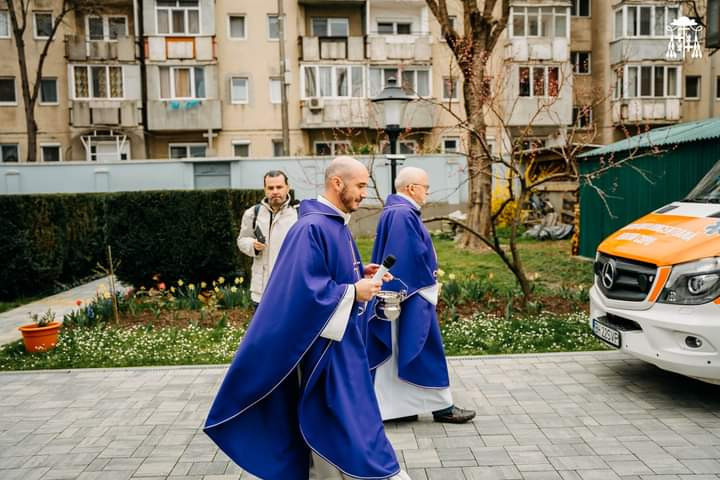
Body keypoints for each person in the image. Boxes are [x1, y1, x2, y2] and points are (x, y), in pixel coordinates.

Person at [204, 156, 412, 480]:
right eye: (360, 185)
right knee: (343, 420)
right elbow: (304, 291)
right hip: (323, 350)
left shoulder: (335, 223)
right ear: (337, 183)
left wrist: (361, 273)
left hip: (341, 344)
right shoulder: (311, 227)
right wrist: (353, 291)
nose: (364, 193)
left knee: (353, 418)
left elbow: (330, 274)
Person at [367, 166, 476, 424]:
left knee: (401, 349)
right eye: (425, 187)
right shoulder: (403, 213)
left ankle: (400, 408)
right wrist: (428, 284)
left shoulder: (396, 211)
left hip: (402, 292)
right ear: (411, 188)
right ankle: (442, 407)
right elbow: (407, 257)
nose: (427, 192)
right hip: (412, 293)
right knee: (422, 346)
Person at [237, 170, 298, 304]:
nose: (275, 191)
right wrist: (252, 245)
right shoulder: (252, 213)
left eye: (279, 187)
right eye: (270, 188)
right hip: (261, 291)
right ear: (265, 189)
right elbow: (242, 240)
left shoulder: (299, 214)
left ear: (287, 188)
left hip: (290, 289)